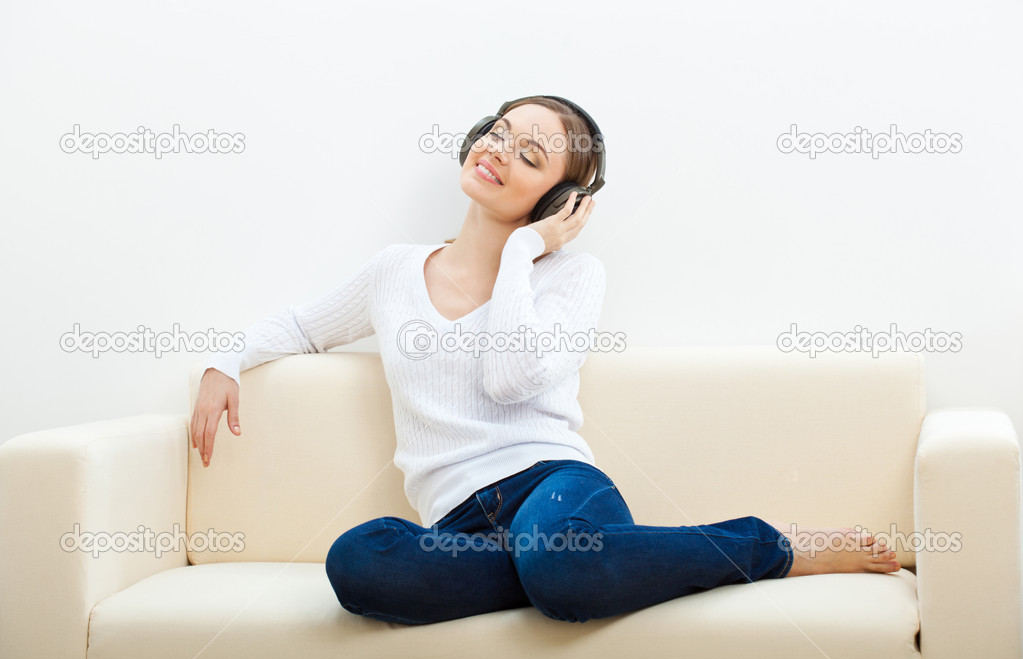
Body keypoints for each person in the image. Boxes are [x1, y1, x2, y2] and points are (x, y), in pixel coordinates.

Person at [190, 95, 901, 626]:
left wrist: (524, 253)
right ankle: (578, 568)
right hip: (456, 521)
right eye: (498, 134)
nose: (498, 151)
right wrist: (223, 363)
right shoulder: (393, 272)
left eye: (529, 156)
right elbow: (299, 326)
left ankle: (769, 547)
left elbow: (509, 379)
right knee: (357, 563)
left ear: (557, 199)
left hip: (554, 489)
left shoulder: (570, 276)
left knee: (560, 560)